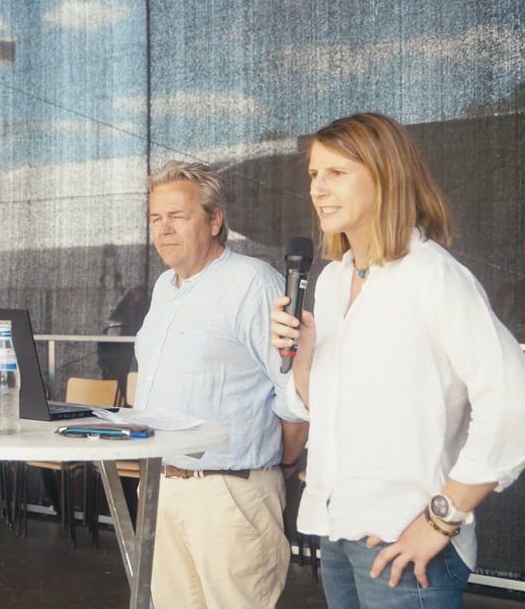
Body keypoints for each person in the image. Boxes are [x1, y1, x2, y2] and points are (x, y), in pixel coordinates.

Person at [271, 113, 525, 608]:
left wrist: (441, 520)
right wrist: (302, 357)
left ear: (385, 175)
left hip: (405, 543)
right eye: (313, 175)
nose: (318, 189)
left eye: (336, 173)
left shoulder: (432, 277)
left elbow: (513, 402)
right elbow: (321, 407)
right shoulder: (331, 281)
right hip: (337, 532)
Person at [133, 161, 307, 609]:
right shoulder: (164, 288)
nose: (164, 229)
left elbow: (295, 394)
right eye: (156, 218)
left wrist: (278, 469)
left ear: (215, 220)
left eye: (178, 216)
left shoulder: (253, 282)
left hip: (229, 493)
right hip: (161, 487)